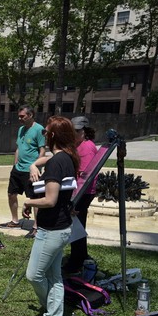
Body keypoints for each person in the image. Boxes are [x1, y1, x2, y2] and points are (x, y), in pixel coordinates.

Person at [22, 116, 79, 316]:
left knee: (34, 274)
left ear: (53, 135)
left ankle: (53, 314)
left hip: (52, 230)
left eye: (46, 133)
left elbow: (50, 200)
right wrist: (34, 164)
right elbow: (43, 161)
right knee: (54, 276)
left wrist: (27, 201)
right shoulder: (67, 158)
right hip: (62, 227)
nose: (43, 135)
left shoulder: (57, 162)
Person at [0, 106, 46, 238]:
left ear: (30, 115)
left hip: (31, 170)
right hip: (18, 169)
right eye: (19, 116)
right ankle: (15, 221)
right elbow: (19, 148)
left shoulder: (39, 129)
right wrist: (14, 165)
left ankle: (36, 227)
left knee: (35, 198)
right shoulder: (21, 129)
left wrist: (36, 167)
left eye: (22, 116)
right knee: (11, 194)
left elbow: (42, 150)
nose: (19, 118)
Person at [63, 116, 99, 273]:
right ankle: (80, 256)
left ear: (84, 131)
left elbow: (85, 176)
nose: (74, 134)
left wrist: (73, 198)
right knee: (77, 225)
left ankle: (77, 260)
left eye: (77, 131)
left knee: (76, 226)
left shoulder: (87, 147)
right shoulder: (79, 145)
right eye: (72, 131)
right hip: (79, 191)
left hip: (83, 192)